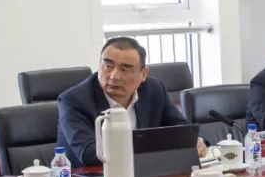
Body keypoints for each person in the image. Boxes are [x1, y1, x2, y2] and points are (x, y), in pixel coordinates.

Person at [57, 37, 204, 167]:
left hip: (145, 174)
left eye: (125, 69)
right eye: (108, 66)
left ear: (143, 74)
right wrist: (153, 145)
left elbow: (180, 128)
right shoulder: (74, 100)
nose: (114, 76)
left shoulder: (154, 89)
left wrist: (193, 141)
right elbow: (89, 154)